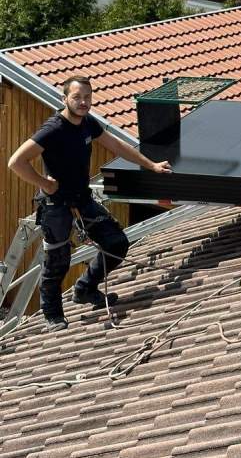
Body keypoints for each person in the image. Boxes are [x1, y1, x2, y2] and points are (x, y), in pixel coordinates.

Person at [8, 76, 172, 330]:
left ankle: (85, 288)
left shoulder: (88, 124)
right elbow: (16, 161)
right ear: (64, 99)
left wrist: (150, 165)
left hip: (81, 198)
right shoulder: (53, 129)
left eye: (87, 97)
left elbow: (116, 145)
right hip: (56, 204)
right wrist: (44, 183)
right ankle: (52, 313)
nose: (83, 102)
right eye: (77, 97)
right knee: (57, 260)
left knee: (116, 242)